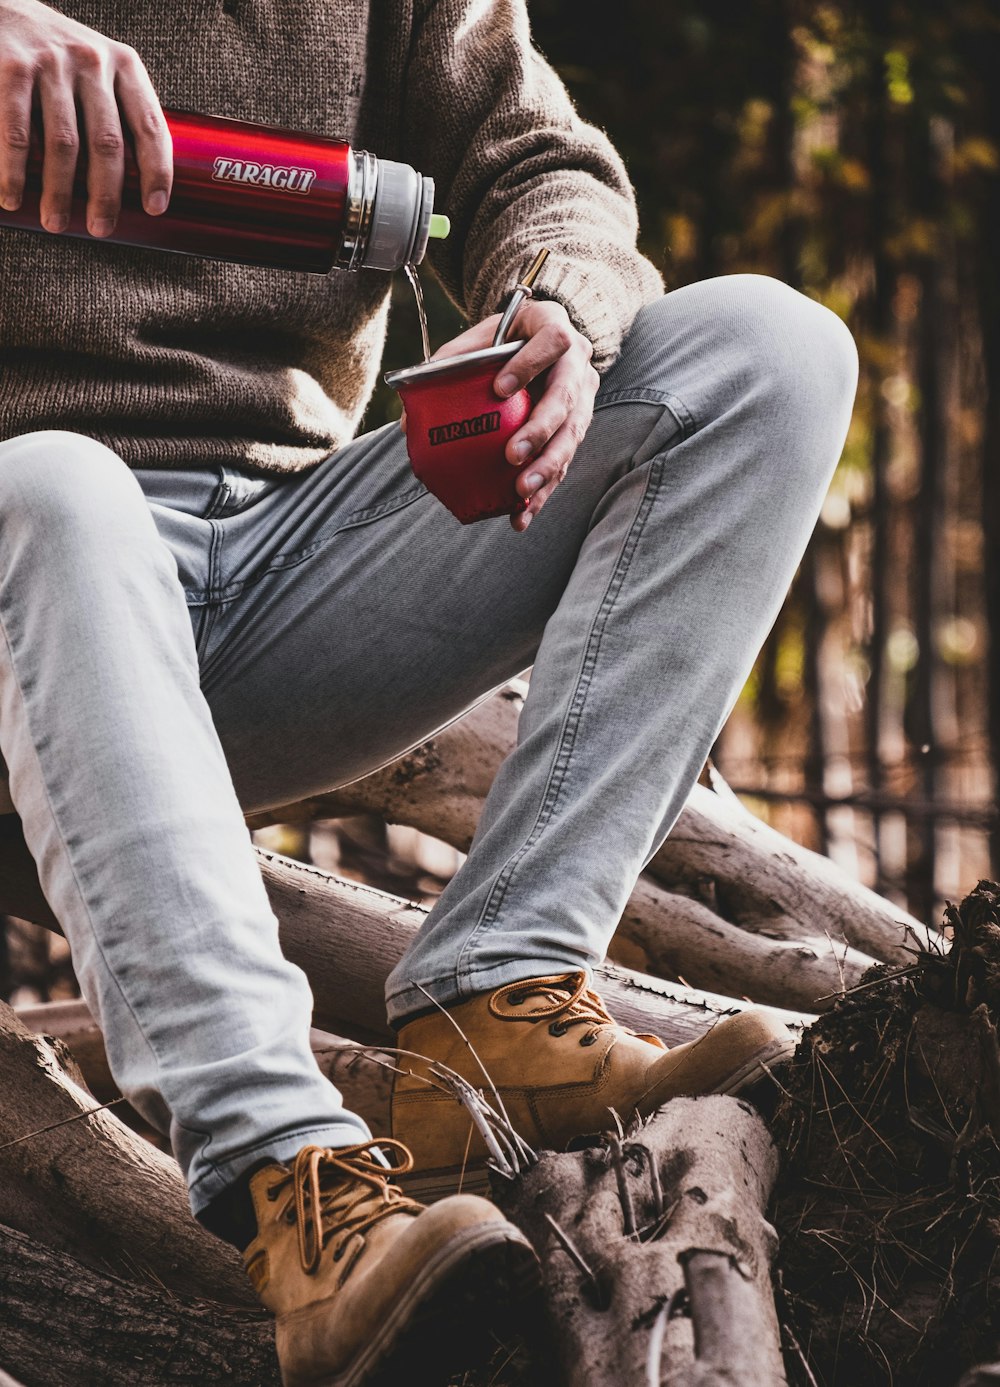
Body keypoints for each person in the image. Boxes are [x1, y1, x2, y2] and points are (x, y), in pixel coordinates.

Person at [0, 1, 858, 1382]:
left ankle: (503, 985)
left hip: (287, 557)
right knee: (55, 491)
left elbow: (542, 163)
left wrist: (555, 320)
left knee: (770, 352)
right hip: (25, 540)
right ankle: (294, 1184)